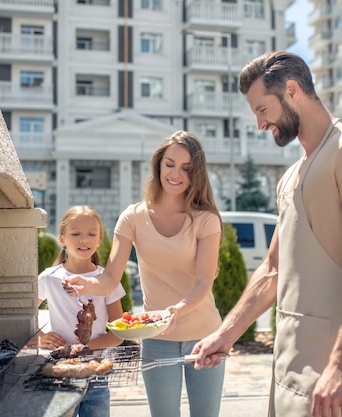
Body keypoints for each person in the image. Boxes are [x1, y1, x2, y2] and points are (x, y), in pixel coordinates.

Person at [191, 51, 342, 417]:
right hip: (290, 352)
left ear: (291, 91)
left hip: (333, 355)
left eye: (262, 109)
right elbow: (273, 269)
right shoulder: (291, 176)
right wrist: (224, 335)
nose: (259, 123)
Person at [64, 131, 225, 417]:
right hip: (157, 338)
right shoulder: (132, 217)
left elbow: (204, 281)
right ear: (158, 164)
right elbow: (111, 278)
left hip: (206, 337)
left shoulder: (206, 220)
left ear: (196, 174)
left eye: (186, 168)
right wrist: (84, 283)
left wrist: (176, 310)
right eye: (170, 164)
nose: (176, 174)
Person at [31, 205, 125, 417]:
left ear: (99, 240)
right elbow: (24, 314)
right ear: (62, 239)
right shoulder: (49, 278)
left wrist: (84, 348)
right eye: (76, 234)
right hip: (60, 371)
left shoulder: (107, 281)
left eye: (92, 234)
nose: (84, 239)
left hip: (97, 372)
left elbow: (119, 333)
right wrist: (40, 337)